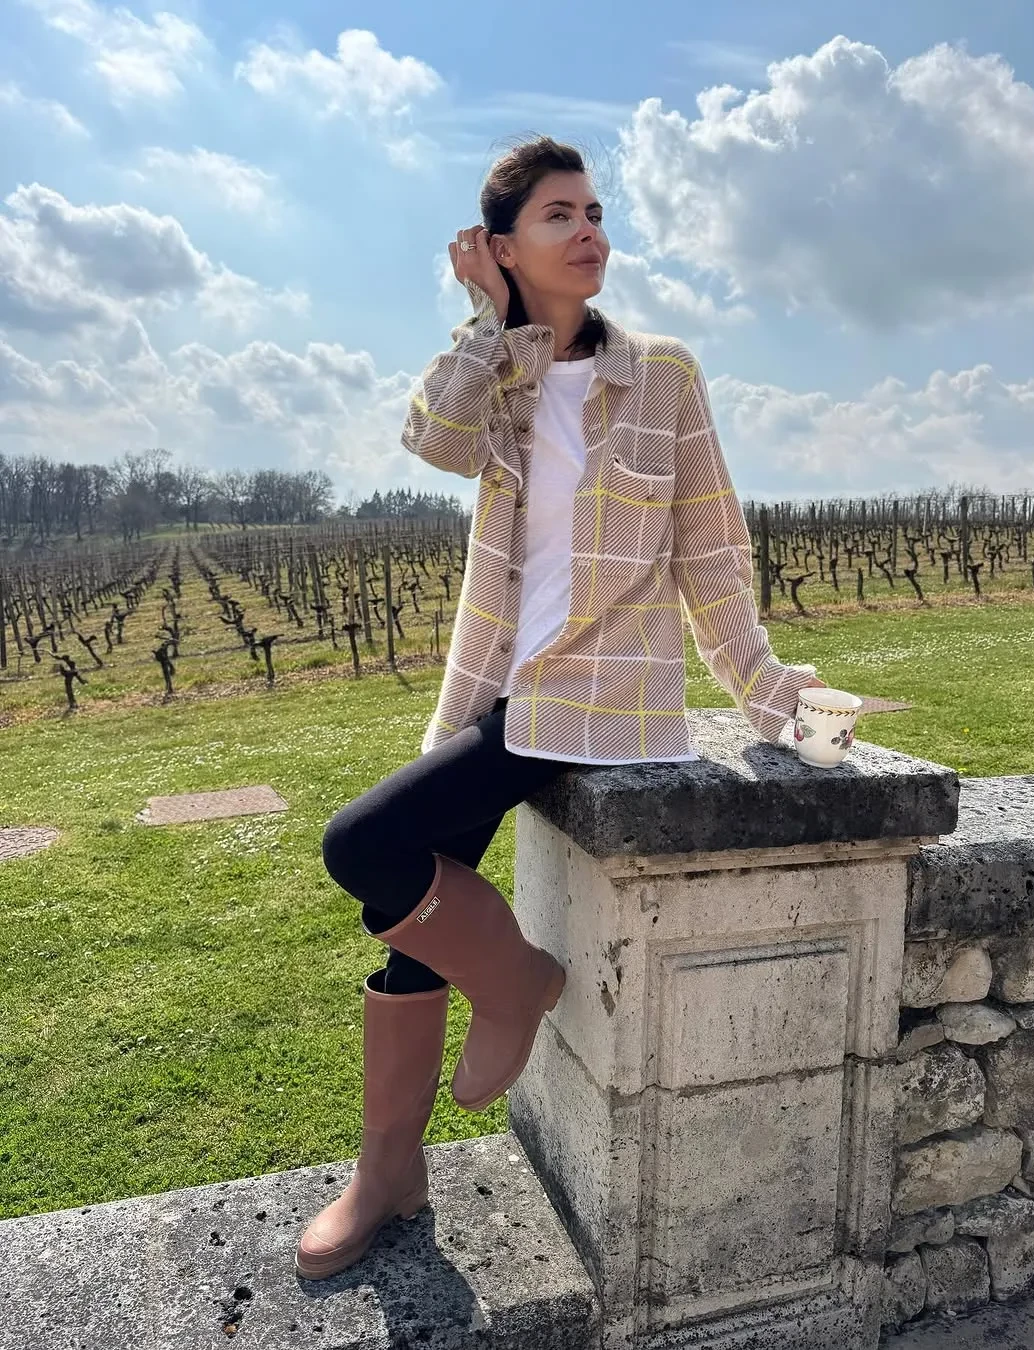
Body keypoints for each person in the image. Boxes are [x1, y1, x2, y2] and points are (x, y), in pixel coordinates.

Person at [295, 135, 825, 1280]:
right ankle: (391, 1169)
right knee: (409, 901)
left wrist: (770, 694)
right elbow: (433, 440)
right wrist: (487, 323)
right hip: (495, 691)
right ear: (500, 247)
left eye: (594, 212)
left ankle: (512, 989)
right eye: (557, 215)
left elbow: (711, 551)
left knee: (362, 843)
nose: (588, 231)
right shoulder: (504, 374)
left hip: (599, 702)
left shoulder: (665, 376)